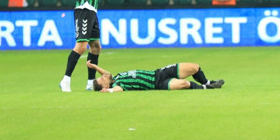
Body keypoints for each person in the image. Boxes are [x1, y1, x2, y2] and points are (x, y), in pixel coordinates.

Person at [88, 61, 223, 92]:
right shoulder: (118, 85)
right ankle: (206, 87)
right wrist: (109, 91)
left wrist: (94, 67)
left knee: (194, 67)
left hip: (159, 73)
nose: (104, 75)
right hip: (158, 84)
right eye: (103, 79)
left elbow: (106, 73)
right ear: (106, 86)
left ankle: (208, 81)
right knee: (185, 84)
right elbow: (117, 90)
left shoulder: (115, 77)